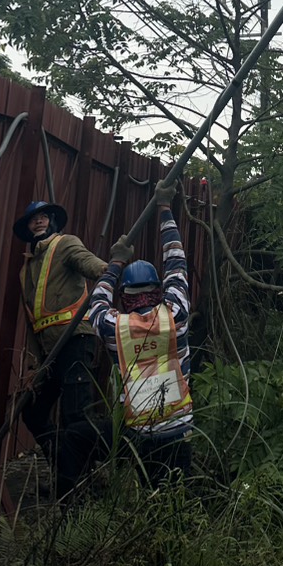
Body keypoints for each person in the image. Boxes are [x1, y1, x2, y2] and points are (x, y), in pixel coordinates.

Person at [88, 182, 193, 483]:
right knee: (178, 496)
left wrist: (115, 263)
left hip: (139, 432)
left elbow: (97, 301)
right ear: (159, 290)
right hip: (178, 427)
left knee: (149, 492)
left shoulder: (113, 328)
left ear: (124, 295)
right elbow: (176, 263)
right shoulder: (177, 314)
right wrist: (164, 209)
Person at [14, 199, 107, 497]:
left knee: (74, 416)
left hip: (76, 340)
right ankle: (68, 469)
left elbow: (91, 264)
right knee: (32, 412)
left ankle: (80, 485)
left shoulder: (66, 244)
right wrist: (33, 366)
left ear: (52, 221)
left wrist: (112, 267)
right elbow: (32, 322)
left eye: (43, 217)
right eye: (33, 220)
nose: (38, 222)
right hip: (48, 353)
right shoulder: (26, 269)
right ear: (27, 228)